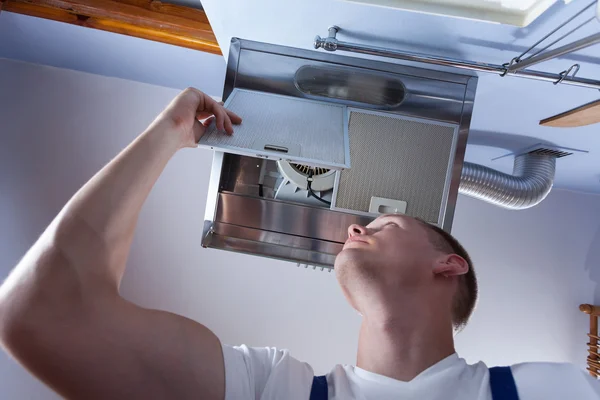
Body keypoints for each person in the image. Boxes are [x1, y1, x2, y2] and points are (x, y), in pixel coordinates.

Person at [0, 87, 597, 400]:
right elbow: (42, 315)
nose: (356, 228)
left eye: (382, 226)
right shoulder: (269, 388)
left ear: (450, 264)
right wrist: (167, 135)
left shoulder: (549, 390)